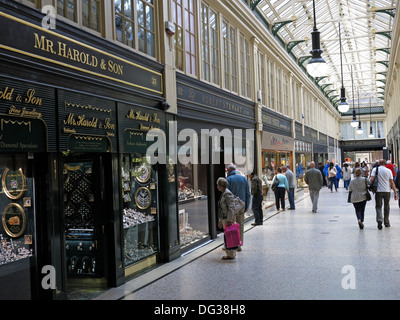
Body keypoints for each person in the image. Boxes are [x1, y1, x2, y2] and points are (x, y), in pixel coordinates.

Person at [226, 164, 250, 250]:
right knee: (240, 225)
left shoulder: (228, 179)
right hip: (242, 205)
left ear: (228, 171)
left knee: (232, 225)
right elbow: (248, 193)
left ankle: (233, 244)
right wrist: (247, 205)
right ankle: (240, 244)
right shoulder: (243, 178)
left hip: (232, 207)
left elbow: (226, 195)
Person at [370, 159, 398, 229]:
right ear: (385, 164)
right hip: (387, 190)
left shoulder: (375, 170)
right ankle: (386, 222)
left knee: (378, 206)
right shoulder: (388, 171)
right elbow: (392, 182)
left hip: (378, 191)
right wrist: (395, 193)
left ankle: (379, 220)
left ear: (379, 163)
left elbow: (371, 179)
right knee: (386, 207)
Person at [216, 177, 237, 260]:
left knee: (230, 235)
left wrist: (229, 219)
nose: (217, 187)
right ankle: (230, 253)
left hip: (228, 218)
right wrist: (220, 220)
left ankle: (231, 254)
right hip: (225, 218)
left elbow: (231, 207)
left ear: (221, 186)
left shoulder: (227, 194)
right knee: (228, 235)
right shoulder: (224, 193)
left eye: (218, 185)